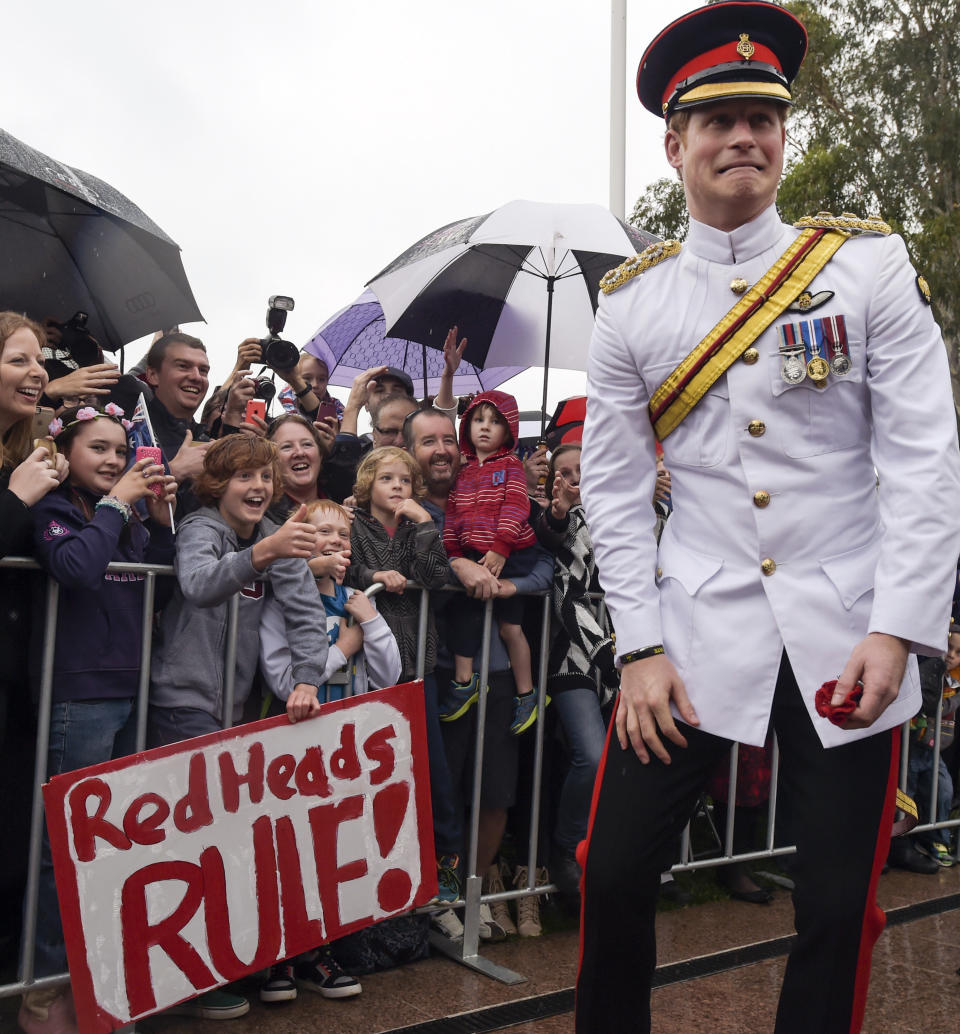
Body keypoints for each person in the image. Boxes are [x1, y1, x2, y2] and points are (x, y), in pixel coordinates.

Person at [575, 4, 960, 1033]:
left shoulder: (867, 267)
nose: (742, 136)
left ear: (783, 135)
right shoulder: (632, 307)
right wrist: (638, 647)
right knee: (610, 873)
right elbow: (611, 488)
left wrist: (899, 623)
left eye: (762, 117)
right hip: (693, 636)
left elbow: (922, 454)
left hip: (849, 628)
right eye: (716, 120)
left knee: (837, 903)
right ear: (676, 141)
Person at [146, 433, 327, 1021]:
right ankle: (182, 984)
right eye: (245, 477)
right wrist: (265, 551)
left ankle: (212, 970)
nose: (258, 487)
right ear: (219, 486)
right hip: (183, 700)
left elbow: (305, 617)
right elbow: (198, 584)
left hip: (237, 710)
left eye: (265, 478)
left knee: (220, 846)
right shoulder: (202, 527)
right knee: (188, 847)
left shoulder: (279, 533)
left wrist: (306, 679)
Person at [19, 405, 176, 1034]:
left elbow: (163, 583)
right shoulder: (54, 510)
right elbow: (77, 569)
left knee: (111, 850)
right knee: (66, 850)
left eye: (121, 450)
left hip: (130, 690)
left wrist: (158, 517)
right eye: (100, 449)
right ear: (66, 452)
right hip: (78, 695)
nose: (114, 461)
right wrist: (116, 504)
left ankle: (97, 982)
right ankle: (42, 998)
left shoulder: (126, 517)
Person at [404, 407, 555, 941]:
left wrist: (512, 583)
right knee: (439, 794)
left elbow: (543, 564)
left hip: (497, 674)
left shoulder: (499, 492)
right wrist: (459, 566)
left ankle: (475, 889)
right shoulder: (408, 507)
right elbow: (414, 567)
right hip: (441, 672)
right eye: (428, 441)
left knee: (494, 793)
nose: (442, 448)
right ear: (411, 452)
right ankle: (439, 897)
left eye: (449, 438)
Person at [530, 443, 617, 897]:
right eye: (561, 473)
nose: (571, 479)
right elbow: (550, 535)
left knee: (622, 761)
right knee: (592, 754)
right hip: (574, 657)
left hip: (625, 657)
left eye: (581, 470)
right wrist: (560, 513)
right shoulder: (555, 520)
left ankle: (605, 853)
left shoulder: (623, 514)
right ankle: (564, 849)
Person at [440, 391, 541, 735]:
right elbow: (452, 517)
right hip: (475, 556)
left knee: (510, 628)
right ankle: (464, 682)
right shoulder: (462, 473)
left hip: (512, 553)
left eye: (495, 421)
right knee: (464, 613)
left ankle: (527, 694)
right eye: (479, 420)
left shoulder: (510, 465)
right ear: (466, 425)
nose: (485, 428)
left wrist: (501, 548)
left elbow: (516, 508)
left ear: (509, 429)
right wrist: (453, 553)